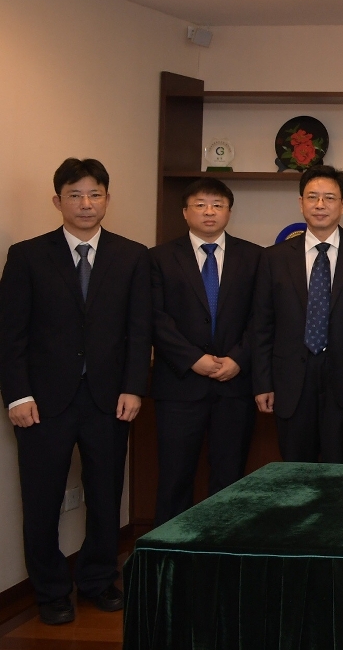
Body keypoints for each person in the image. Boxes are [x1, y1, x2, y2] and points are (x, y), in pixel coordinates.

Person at [0, 159, 150, 625]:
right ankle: (49, 590)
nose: (86, 204)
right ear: (57, 200)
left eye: (95, 194)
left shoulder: (132, 255)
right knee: (41, 499)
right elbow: (11, 334)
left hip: (109, 399)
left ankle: (99, 579)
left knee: (106, 497)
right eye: (75, 195)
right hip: (42, 403)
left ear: (107, 198)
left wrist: (134, 387)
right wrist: (17, 395)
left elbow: (138, 329)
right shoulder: (26, 255)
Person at [150, 178, 262, 525]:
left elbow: (263, 318)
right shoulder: (159, 258)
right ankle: (168, 557)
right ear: (185, 212)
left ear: (229, 211)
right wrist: (192, 359)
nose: (209, 211)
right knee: (174, 477)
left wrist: (239, 359)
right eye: (200, 204)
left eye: (217, 204)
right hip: (179, 386)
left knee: (230, 478)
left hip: (234, 387)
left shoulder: (255, 257)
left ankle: (220, 556)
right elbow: (154, 319)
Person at [251, 165, 343, 463]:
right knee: (294, 471)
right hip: (290, 382)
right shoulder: (273, 257)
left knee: (341, 469)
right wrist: (263, 382)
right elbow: (262, 325)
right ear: (301, 203)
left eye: (329, 198)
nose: (320, 205)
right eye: (313, 197)